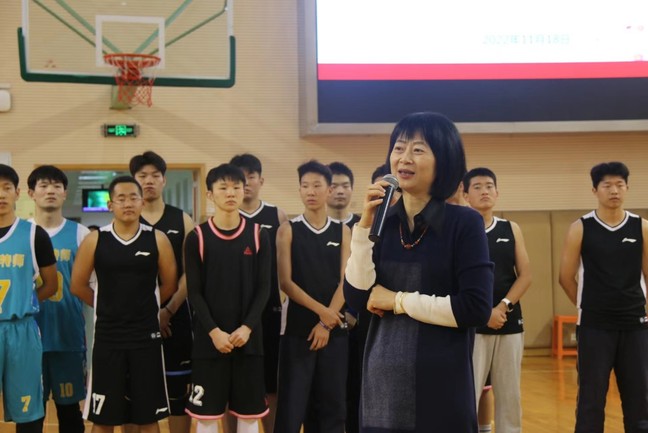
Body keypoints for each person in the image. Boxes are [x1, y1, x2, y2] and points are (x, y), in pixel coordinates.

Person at [344, 112, 493, 433]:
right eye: (398, 148)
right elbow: (356, 298)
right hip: (382, 393)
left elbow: (475, 308)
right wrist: (364, 227)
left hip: (440, 390)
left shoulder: (464, 223)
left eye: (418, 149)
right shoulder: (384, 223)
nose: (404, 158)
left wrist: (398, 301)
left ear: (445, 160)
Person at [71, 176, 178, 433]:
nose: (128, 203)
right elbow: (77, 285)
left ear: (142, 203)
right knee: (103, 418)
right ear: (110, 204)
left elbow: (169, 284)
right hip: (108, 338)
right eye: (121, 198)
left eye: (133, 198)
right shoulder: (95, 239)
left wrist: (145, 308)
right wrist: (108, 306)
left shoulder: (158, 239)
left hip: (146, 337)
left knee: (148, 417)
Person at [559, 161, 648, 433]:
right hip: (594, 327)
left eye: (620, 185)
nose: (614, 190)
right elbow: (565, 277)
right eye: (607, 185)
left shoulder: (641, 227)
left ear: (627, 188)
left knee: (640, 400)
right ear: (595, 190)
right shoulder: (581, 227)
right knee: (591, 400)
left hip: (635, 326)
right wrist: (588, 306)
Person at [184, 164, 271, 433]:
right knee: (207, 418)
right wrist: (214, 332)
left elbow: (264, 288)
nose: (230, 193)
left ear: (244, 191)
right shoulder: (197, 237)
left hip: (249, 342)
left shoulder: (259, 234)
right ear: (210, 194)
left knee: (249, 417)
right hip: (209, 344)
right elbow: (194, 292)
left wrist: (247, 327)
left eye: (236, 187)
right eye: (223, 187)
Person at [274, 160, 351, 433]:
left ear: (328, 190)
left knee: (333, 407)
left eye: (317, 185)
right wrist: (323, 313)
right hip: (297, 331)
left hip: (334, 333)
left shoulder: (343, 231)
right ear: (299, 190)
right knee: (292, 408)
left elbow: (346, 280)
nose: (310, 191)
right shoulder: (287, 230)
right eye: (305, 186)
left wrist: (326, 323)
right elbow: (286, 282)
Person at [129, 151, 195, 433]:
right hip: (135, 322)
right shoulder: (126, 221)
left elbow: (191, 273)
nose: (149, 181)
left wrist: (168, 310)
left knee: (178, 396)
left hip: (176, 319)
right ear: (134, 180)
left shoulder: (183, 220)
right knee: (135, 396)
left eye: (155, 175)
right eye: (142, 176)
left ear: (164, 180)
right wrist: (148, 314)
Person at [463, 167, 532, 433]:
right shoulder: (460, 231)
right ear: (465, 195)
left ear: (497, 192)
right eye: (477, 187)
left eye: (489, 186)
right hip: (472, 326)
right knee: (468, 394)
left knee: (509, 395)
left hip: (508, 323)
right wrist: (484, 313)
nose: (485, 191)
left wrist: (503, 307)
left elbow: (525, 275)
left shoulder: (511, 228)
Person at [27, 165, 92, 433]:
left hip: (68, 337)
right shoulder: (21, 233)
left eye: (56, 186)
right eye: (43, 185)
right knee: (31, 413)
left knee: (69, 412)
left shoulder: (81, 234)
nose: (50, 191)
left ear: (65, 193)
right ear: (31, 193)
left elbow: (93, 287)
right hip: (28, 338)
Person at [229, 153, 287, 433]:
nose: (246, 182)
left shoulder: (277, 215)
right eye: (240, 178)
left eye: (251, 176)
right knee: (232, 384)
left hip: (270, 310)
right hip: (233, 314)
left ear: (261, 180)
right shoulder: (225, 216)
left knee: (270, 384)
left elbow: (286, 267)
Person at [0, 164, 58, 433]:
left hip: (21, 331)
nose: (1, 194)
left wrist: (25, 301)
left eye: (6, 187)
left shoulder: (35, 235)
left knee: (28, 411)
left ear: (17, 192)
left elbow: (51, 284)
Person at [327, 162, 360, 228]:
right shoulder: (312, 226)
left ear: (352, 189)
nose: (340, 191)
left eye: (345, 186)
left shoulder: (361, 224)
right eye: (333, 186)